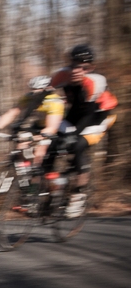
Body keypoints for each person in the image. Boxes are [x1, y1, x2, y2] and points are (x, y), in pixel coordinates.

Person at [43, 44, 117, 217]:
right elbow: (40, 97)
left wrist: (73, 136)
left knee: (77, 145)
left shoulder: (95, 81)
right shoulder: (62, 74)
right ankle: (47, 195)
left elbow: (88, 114)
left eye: (84, 67)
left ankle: (78, 194)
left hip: (98, 119)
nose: (78, 70)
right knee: (50, 144)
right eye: (75, 64)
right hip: (74, 116)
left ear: (91, 68)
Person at [0, 75, 64, 167]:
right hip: (37, 125)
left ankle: (36, 177)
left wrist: (35, 138)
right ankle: (22, 174)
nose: (34, 92)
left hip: (54, 127)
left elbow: (52, 128)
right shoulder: (29, 97)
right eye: (32, 89)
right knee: (21, 147)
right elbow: (12, 112)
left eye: (38, 89)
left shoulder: (54, 101)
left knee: (39, 152)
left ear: (46, 90)